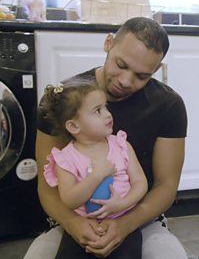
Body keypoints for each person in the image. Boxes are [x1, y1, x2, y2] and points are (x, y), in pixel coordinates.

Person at [25, 17, 188, 259]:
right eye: (121, 65)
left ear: (155, 70)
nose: (125, 81)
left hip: (140, 216)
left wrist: (126, 223)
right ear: (108, 43)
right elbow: (47, 187)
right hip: (74, 217)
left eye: (141, 76)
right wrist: (73, 223)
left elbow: (166, 186)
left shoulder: (168, 105)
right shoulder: (65, 103)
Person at [41, 80, 148, 259]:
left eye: (106, 107)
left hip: (121, 222)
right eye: (98, 111)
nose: (108, 114)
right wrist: (97, 175)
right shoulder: (66, 158)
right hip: (84, 228)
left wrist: (123, 203)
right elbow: (69, 200)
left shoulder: (121, 145)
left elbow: (140, 182)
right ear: (74, 126)